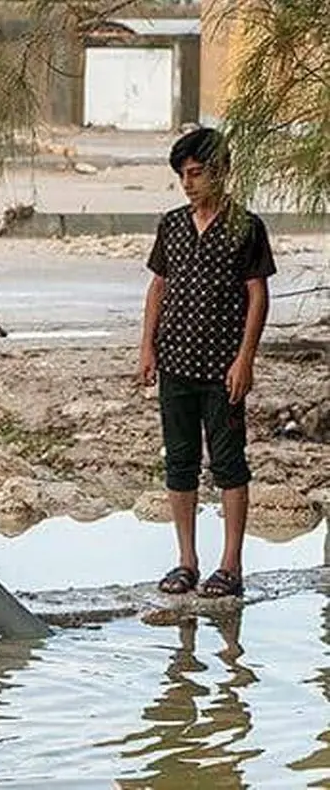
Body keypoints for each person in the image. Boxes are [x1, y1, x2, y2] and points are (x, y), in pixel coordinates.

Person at [137, 127, 275, 599]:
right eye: (183, 176)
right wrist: (147, 347)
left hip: (223, 366)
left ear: (220, 171)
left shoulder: (246, 226)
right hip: (176, 360)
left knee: (229, 463)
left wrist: (245, 359)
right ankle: (186, 562)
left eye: (196, 174)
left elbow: (257, 294)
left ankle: (230, 565)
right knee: (179, 461)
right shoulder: (172, 225)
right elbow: (158, 286)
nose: (189, 183)